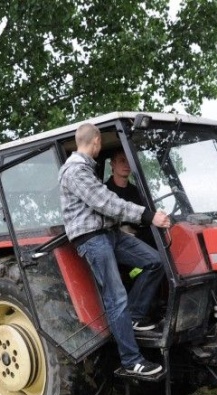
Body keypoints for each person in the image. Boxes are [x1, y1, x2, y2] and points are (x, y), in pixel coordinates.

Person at [59, 123, 170, 376]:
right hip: (92, 238)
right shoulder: (76, 171)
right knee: (116, 296)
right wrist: (148, 216)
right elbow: (106, 202)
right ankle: (132, 361)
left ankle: (135, 316)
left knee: (155, 261)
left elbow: (110, 204)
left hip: (110, 233)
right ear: (96, 141)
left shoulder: (88, 170)